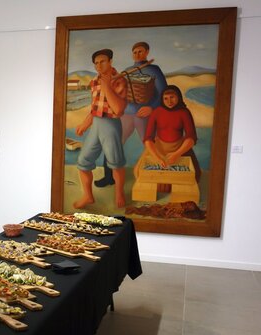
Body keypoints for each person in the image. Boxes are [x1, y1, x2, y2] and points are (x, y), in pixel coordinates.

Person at [95, 41, 167, 188]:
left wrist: (151, 107)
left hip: (143, 114)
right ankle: (108, 176)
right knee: (113, 143)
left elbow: (163, 92)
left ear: (147, 52)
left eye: (140, 51)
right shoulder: (127, 71)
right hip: (126, 114)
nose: (137, 54)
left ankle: (156, 177)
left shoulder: (154, 70)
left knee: (150, 146)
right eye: (135, 52)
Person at [74, 48, 128, 209]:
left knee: (116, 163)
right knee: (83, 161)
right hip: (96, 124)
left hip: (111, 125)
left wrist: (106, 86)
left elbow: (118, 109)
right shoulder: (94, 81)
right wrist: (85, 123)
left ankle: (119, 193)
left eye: (102, 61)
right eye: (96, 63)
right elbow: (95, 108)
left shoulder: (119, 80)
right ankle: (88, 196)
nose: (99, 65)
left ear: (110, 61)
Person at [133, 85, 201, 191]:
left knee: (193, 176)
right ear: (162, 99)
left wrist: (176, 154)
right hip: (159, 147)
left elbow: (191, 138)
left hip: (179, 147)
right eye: (166, 98)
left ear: (178, 97)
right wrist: (157, 157)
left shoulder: (184, 112)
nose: (169, 101)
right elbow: (148, 139)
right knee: (139, 172)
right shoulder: (156, 112)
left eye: (172, 97)